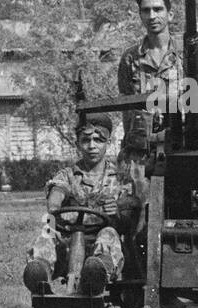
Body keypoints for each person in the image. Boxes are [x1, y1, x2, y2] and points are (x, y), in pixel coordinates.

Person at [22, 113, 129, 297]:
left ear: (108, 142)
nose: (92, 146)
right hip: (68, 244)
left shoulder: (119, 179)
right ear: (78, 143)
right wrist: (54, 204)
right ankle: (39, 275)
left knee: (108, 234)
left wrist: (118, 210)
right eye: (86, 140)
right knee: (48, 232)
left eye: (98, 140)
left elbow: (129, 215)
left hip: (102, 242)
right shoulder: (68, 175)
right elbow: (57, 192)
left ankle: (96, 276)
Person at [116, 0, 182, 188]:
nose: (152, 16)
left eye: (158, 9)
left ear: (170, 14)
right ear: (140, 16)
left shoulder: (187, 56)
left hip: (178, 151)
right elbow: (126, 107)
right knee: (130, 213)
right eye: (146, 10)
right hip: (138, 155)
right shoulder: (130, 58)